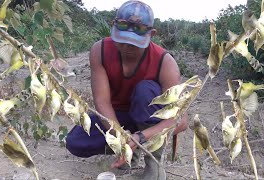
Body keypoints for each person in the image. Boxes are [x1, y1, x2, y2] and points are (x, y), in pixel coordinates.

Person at [66, 1, 188, 179]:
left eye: (134, 43)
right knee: (76, 141)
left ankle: (153, 159)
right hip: (118, 118)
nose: (126, 47)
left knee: (145, 90)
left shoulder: (165, 63)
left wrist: (141, 138)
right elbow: (102, 102)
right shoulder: (99, 51)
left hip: (149, 118)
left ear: (151, 34)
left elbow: (180, 121)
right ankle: (130, 152)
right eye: (122, 41)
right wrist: (121, 137)